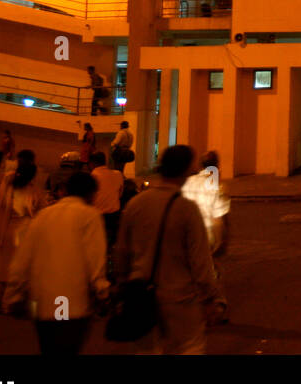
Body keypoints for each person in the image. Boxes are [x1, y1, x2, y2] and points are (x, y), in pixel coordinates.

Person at [114, 145, 226, 354]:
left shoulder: (136, 203)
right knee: (189, 347)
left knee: (147, 350)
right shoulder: (187, 209)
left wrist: (121, 285)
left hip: (141, 294)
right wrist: (212, 298)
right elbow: (200, 262)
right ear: (185, 170)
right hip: (180, 298)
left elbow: (121, 251)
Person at [6, 170, 108, 355]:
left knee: (49, 350)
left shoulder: (43, 215)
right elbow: (95, 260)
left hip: (43, 304)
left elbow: (23, 258)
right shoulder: (90, 216)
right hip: (73, 304)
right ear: (91, 193)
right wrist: (102, 292)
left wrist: (14, 293)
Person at [0, 159, 45, 313]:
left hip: (3, 233)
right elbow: (41, 212)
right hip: (23, 235)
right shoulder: (34, 191)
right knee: (15, 274)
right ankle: (8, 305)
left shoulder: (8, 187)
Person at [181, 150, 230, 253]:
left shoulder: (188, 181)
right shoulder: (215, 186)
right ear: (216, 165)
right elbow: (218, 219)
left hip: (185, 234)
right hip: (205, 237)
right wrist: (220, 242)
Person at [89, 151, 125, 250]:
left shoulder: (93, 176)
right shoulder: (118, 174)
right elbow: (120, 194)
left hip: (98, 217)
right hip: (115, 215)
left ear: (92, 163)